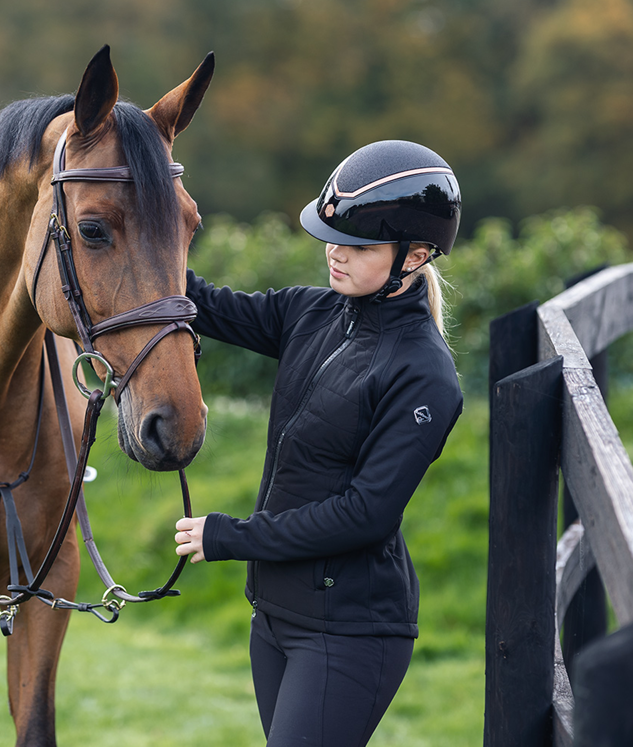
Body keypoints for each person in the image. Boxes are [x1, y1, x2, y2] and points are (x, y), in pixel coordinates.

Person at [175, 140, 464, 746]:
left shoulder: (424, 375)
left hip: (348, 634)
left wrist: (231, 536)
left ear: (414, 255)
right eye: (331, 237)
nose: (334, 253)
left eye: (357, 246)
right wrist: (134, 218)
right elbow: (201, 303)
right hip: (274, 618)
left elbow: (366, 514)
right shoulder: (313, 313)